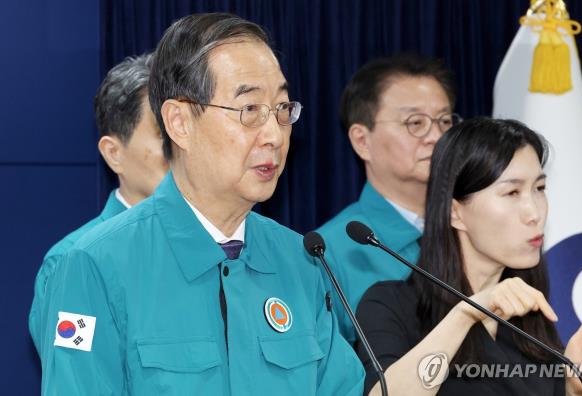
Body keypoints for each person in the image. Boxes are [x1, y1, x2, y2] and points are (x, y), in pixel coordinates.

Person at [41, 13, 364, 395]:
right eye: (249, 110)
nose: (274, 136)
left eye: (281, 109)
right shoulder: (95, 263)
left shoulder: (302, 260)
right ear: (179, 123)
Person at [356, 118, 582, 395]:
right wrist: (467, 312)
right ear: (455, 212)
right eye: (512, 192)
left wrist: (571, 388)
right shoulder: (390, 305)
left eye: (540, 188)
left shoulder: (530, 317)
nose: (535, 213)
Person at [29, 53, 168, 356]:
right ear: (114, 153)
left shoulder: (224, 244)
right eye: (163, 133)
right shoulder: (74, 261)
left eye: (184, 128)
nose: (180, 147)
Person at [317, 53, 460, 344]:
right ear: (362, 141)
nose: (436, 136)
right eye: (415, 122)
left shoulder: (475, 228)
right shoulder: (327, 253)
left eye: (444, 121)